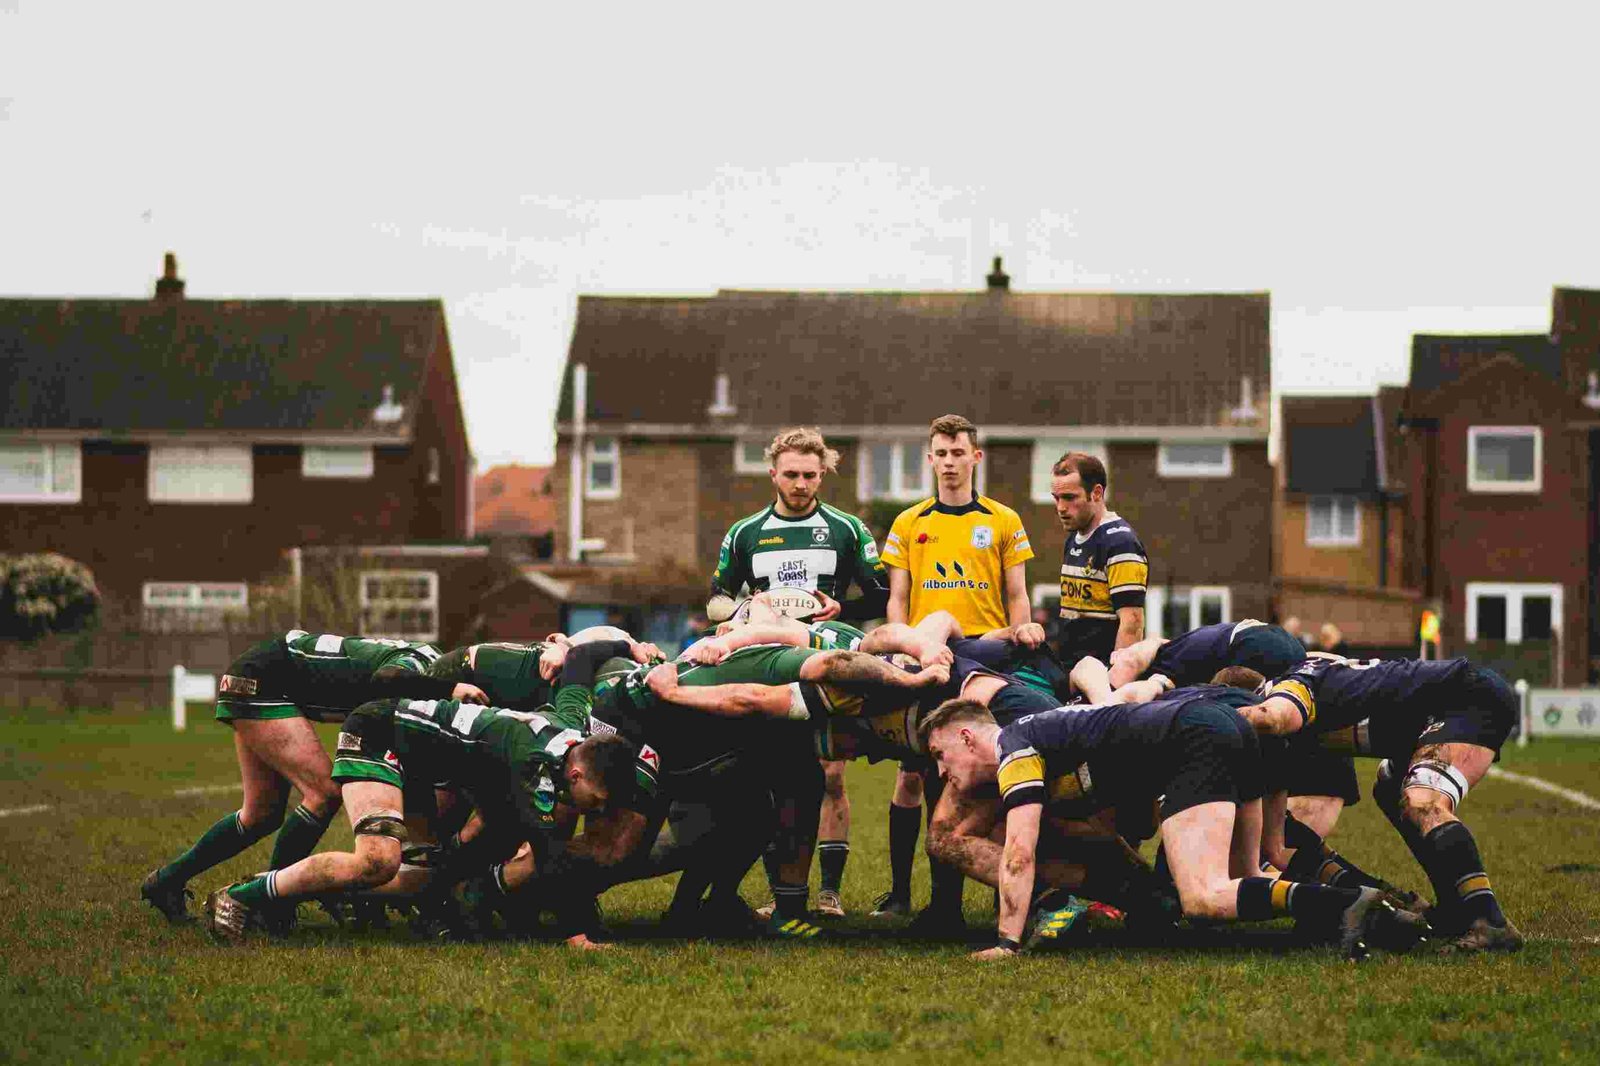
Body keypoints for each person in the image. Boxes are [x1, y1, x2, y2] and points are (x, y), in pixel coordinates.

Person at [920, 695, 1419, 961]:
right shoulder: (1044, 730)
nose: (942, 772)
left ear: (966, 737)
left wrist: (1007, 943)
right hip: (1224, 725)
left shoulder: (1015, 747)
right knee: (1245, 875)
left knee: (1201, 897)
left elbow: (1019, 851)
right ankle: (1378, 917)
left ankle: (1349, 903)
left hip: (1194, 738)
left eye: (941, 755)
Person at [204, 685, 642, 948]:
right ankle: (241, 896)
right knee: (377, 861)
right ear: (577, 773)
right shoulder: (534, 765)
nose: (597, 809)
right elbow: (549, 856)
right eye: (598, 799)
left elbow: (572, 690)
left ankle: (316, 893)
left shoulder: (569, 733)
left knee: (420, 875)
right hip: (378, 736)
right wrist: (576, 934)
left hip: (416, 760)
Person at [140, 630, 487, 925]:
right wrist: (450, 690)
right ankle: (270, 904)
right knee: (324, 793)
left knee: (261, 814)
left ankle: (166, 881)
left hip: (259, 675)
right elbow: (386, 680)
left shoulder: (425, 663)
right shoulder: (419, 666)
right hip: (263, 683)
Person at [708, 427, 890, 917]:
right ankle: (781, 893)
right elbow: (715, 599)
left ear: (823, 474)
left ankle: (829, 893)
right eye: (791, 474)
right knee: (770, 777)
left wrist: (843, 606)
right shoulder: (745, 533)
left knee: (831, 775)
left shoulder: (847, 528)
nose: (801, 484)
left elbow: (881, 594)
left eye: (810, 475)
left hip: (825, 657)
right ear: (773, 473)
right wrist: (746, 608)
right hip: (766, 659)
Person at [874, 413, 1040, 932]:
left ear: (976, 457)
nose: (949, 463)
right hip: (931, 662)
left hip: (985, 658)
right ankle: (920, 899)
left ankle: (999, 897)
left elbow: (1017, 594)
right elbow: (897, 600)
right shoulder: (909, 523)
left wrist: (1022, 635)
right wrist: (904, 650)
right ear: (930, 459)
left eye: (958, 453)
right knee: (923, 773)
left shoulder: (1004, 519)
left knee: (992, 773)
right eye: (941, 454)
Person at [1237, 654, 1524, 952]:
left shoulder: (1285, 691)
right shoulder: (1283, 714)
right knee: (1389, 790)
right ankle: (1453, 908)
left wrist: (1229, 714)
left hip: (1465, 698)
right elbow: (1279, 836)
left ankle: (1489, 919)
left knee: (1422, 802)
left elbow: (1272, 717)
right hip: (1427, 716)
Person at [1050, 451, 1147, 668]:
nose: (1061, 507)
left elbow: (1132, 624)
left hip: (1100, 674)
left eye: (1069, 498)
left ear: (1096, 493)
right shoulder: (1074, 538)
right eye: (1056, 498)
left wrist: (1114, 681)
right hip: (1069, 669)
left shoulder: (1120, 543)